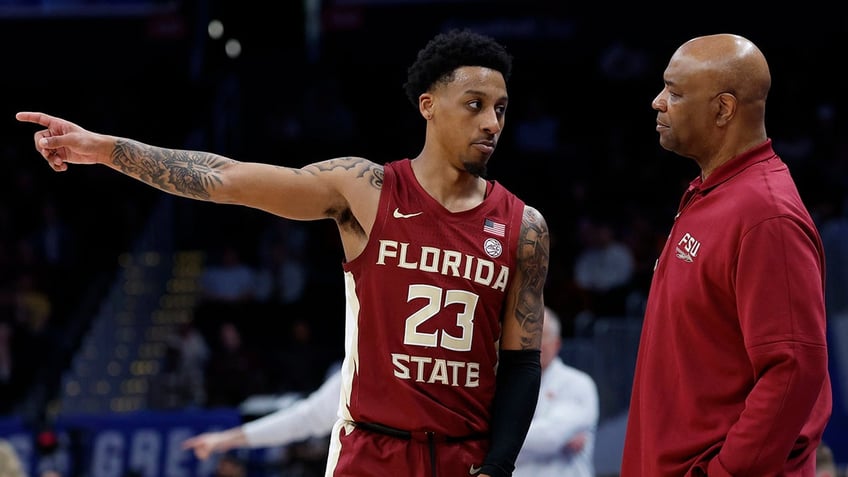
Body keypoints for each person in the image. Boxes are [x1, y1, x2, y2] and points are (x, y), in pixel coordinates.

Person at [16, 27, 550, 477]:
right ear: (428, 107)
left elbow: (522, 365)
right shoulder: (365, 189)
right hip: (372, 450)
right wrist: (108, 150)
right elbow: (226, 178)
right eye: (475, 105)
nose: (491, 123)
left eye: (500, 109)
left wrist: (497, 467)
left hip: (466, 456)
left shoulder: (523, 227)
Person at [621, 33, 832, 476]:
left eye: (674, 92)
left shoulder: (766, 214)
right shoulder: (713, 192)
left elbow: (794, 370)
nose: (657, 102)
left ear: (723, 109)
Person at [182, 308, 597, 477]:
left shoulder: (471, 371)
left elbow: (529, 438)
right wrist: (229, 439)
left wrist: (475, 436)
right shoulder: (366, 364)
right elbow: (308, 415)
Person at [512, 306, 598, 477]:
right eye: (526, 335)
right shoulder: (507, 384)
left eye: (540, 336)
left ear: (557, 343)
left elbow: (550, 437)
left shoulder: (578, 383)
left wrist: (499, 434)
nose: (532, 342)